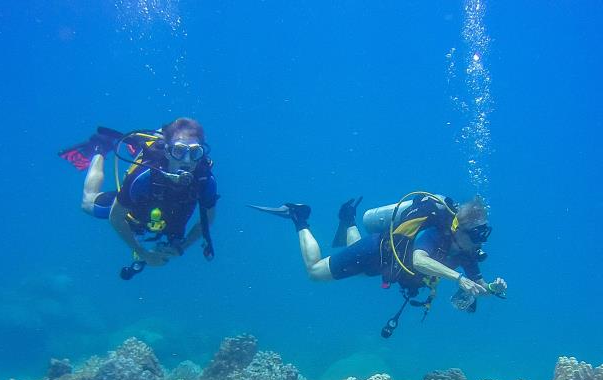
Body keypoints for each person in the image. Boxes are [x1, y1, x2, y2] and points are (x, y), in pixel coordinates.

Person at [249, 192, 506, 333]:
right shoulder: (434, 234)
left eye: (481, 236)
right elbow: (419, 260)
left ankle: (349, 219)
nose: (478, 243)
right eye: (474, 235)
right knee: (315, 272)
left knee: (360, 272)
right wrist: (458, 278)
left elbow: (478, 285)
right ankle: (299, 216)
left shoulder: (468, 251)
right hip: (374, 251)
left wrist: (492, 288)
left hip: (384, 266)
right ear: (458, 228)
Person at [59, 118, 220, 280]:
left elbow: (207, 220)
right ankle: (99, 148)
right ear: (167, 151)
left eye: (195, 153)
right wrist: (142, 253)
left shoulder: (204, 179)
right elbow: (115, 217)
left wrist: (182, 247)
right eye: (178, 151)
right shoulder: (144, 175)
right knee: (87, 203)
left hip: (169, 218)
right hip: (137, 208)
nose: (186, 160)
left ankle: (147, 143)